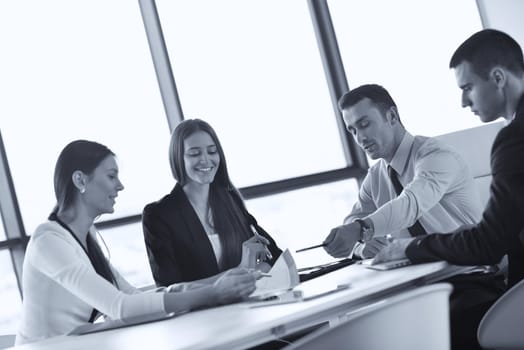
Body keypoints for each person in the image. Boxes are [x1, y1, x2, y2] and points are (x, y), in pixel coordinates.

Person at [16, 140, 259, 345]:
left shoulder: (83, 238)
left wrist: (214, 285)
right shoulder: (48, 241)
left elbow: (130, 295)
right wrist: (213, 294)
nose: (120, 186)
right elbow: (120, 306)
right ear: (80, 180)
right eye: (111, 176)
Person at [373, 29, 524, 350]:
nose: (462, 100)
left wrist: (409, 248)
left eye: (468, 87)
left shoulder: (514, 141)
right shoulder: (375, 176)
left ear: (498, 78)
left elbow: (489, 243)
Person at [322, 84, 484, 260]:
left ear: (392, 116)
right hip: (422, 277)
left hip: (473, 270)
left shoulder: (436, 155)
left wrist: (361, 228)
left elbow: (410, 204)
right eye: (353, 130)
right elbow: (354, 220)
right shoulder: (376, 177)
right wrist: (360, 245)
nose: (360, 138)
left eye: (365, 124)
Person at [143, 119, 282, 287]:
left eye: (212, 151)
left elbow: (275, 256)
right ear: (177, 159)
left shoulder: (229, 201)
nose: (205, 160)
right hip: (202, 312)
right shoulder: (159, 215)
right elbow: (169, 289)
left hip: (248, 308)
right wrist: (240, 271)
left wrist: (258, 269)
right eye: (194, 154)